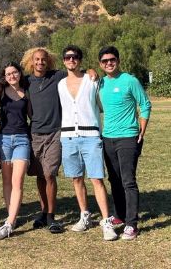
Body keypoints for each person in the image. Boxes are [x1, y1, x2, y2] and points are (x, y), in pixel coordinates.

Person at [57, 45, 117, 241]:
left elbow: (102, 106)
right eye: (67, 57)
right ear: (63, 60)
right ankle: (85, 216)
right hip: (68, 137)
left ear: (80, 60)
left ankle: (106, 221)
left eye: (75, 57)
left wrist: (93, 72)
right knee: (76, 178)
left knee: (97, 178)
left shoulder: (92, 81)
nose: (71, 60)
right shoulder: (60, 85)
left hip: (91, 136)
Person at [98, 46, 151, 240]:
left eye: (112, 60)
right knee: (114, 179)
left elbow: (145, 104)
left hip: (128, 137)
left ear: (118, 61)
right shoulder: (100, 82)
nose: (109, 63)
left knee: (128, 181)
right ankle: (119, 216)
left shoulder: (130, 80)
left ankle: (132, 224)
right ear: (100, 64)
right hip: (108, 137)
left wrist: (141, 130)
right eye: (104, 61)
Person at [20, 47, 67, 233]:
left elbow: (76, 74)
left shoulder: (57, 76)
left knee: (50, 174)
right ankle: (43, 210)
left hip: (55, 132)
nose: (40, 62)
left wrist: (90, 72)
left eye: (43, 60)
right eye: (37, 60)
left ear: (49, 61)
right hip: (34, 133)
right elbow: (8, 82)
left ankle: (51, 216)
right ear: (31, 62)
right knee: (39, 175)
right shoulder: (27, 81)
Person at [0, 62, 31, 240]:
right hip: (4, 139)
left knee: (18, 180)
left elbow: (32, 115)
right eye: (8, 74)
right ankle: (11, 217)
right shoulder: (0, 92)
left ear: (20, 73)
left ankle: (9, 222)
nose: (12, 76)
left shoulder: (27, 91)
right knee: (7, 181)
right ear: (5, 77)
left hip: (22, 139)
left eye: (14, 72)